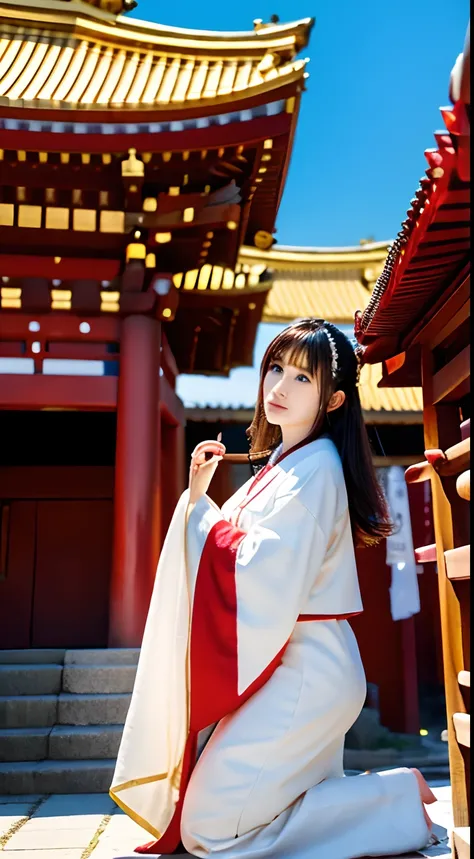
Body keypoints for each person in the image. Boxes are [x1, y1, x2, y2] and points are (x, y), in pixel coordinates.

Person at [111, 318, 437, 858]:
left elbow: (259, 566)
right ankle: (378, 801)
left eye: (303, 379)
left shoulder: (318, 466)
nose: (280, 388)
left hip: (309, 668)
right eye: (275, 369)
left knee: (210, 829)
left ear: (332, 401)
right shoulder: (284, 464)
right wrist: (197, 498)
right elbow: (238, 544)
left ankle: (392, 797)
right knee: (230, 814)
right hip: (290, 664)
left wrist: (198, 519)